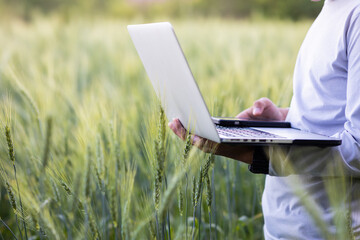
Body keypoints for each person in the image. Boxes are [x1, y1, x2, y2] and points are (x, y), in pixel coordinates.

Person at [168, 0, 360, 239]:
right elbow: (330, 113)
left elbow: (358, 150)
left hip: (326, 231)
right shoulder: (332, 9)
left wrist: (253, 153)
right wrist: (284, 117)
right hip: (282, 226)